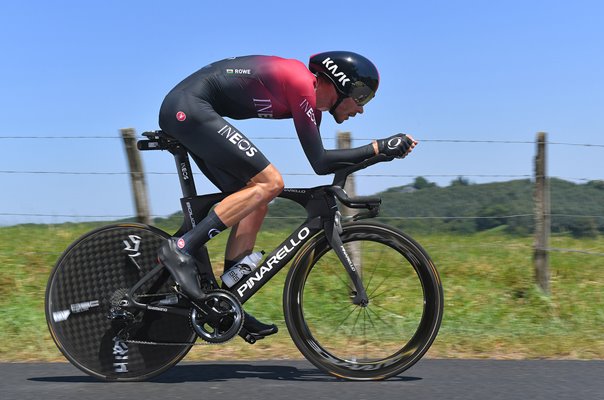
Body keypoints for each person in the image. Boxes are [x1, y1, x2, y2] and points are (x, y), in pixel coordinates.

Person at [157, 51, 417, 340]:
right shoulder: (302, 85)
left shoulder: (311, 105)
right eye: (362, 98)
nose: (361, 109)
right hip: (188, 107)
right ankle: (181, 247)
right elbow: (319, 160)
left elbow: (322, 164)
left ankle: (227, 300)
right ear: (342, 84)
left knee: (255, 198)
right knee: (271, 183)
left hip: (194, 108)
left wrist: (381, 155)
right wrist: (378, 148)